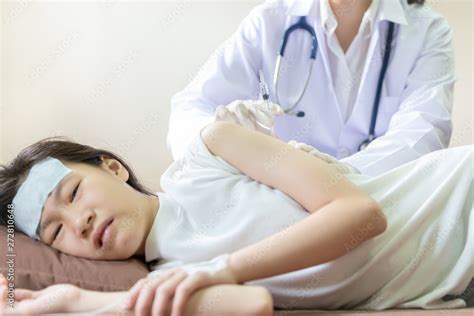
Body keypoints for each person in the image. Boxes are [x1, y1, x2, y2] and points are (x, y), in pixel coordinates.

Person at [0, 121, 472, 315]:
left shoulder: (210, 152)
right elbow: (251, 307)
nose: (78, 222)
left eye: (75, 193)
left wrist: (222, 267)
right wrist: (74, 300)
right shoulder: (166, 277)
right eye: (56, 231)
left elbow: (360, 214)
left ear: (113, 166)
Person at [168, 0, 455, 176]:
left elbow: (425, 128)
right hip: (280, 194)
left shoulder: (427, 30)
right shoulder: (270, 20)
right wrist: (218, 137)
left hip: (378, 194)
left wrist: (344, 175)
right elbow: (190, 108)